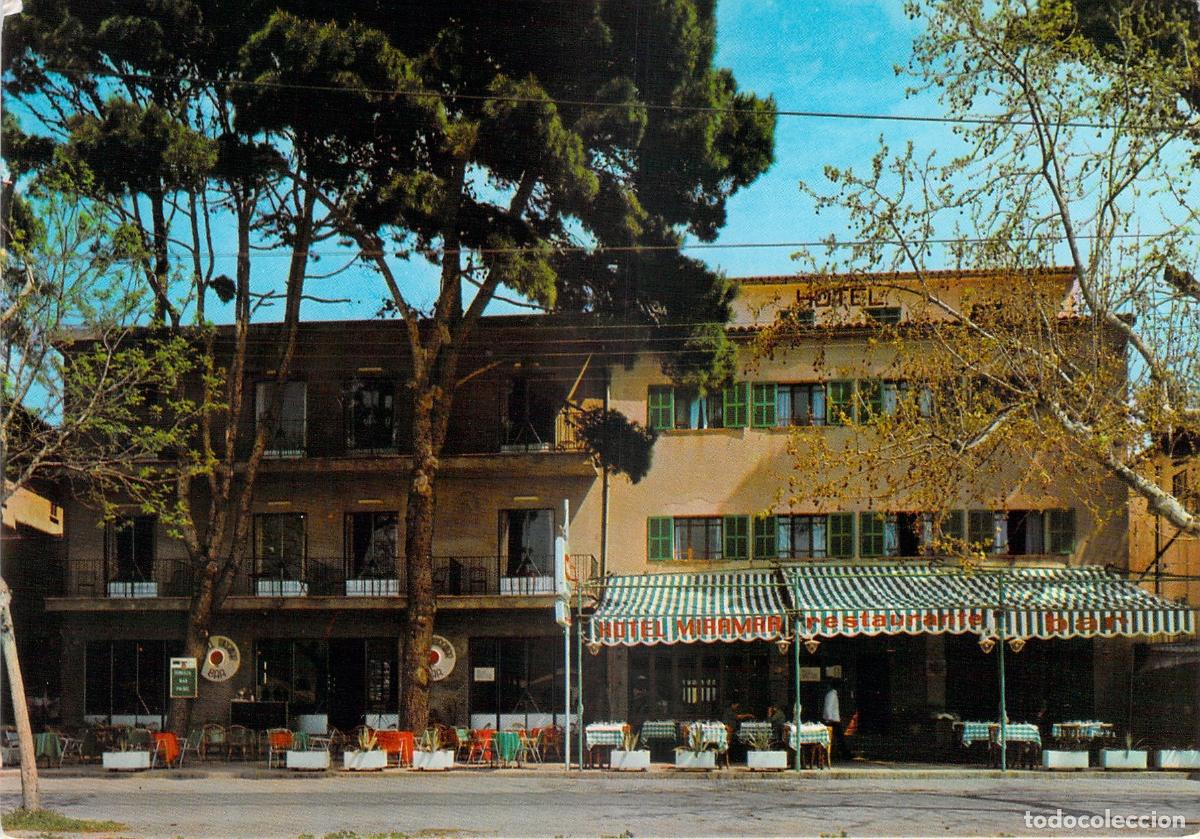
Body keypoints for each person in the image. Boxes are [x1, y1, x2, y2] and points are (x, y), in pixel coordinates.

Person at [822, 681, 848, 759]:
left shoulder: (832, 695)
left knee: (839, 737)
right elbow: (828, 707)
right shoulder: (832, 695)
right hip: (832, 720)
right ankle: (845, 753)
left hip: (833, 719)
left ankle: (843, 753)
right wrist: (829, 718)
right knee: (840, 737)